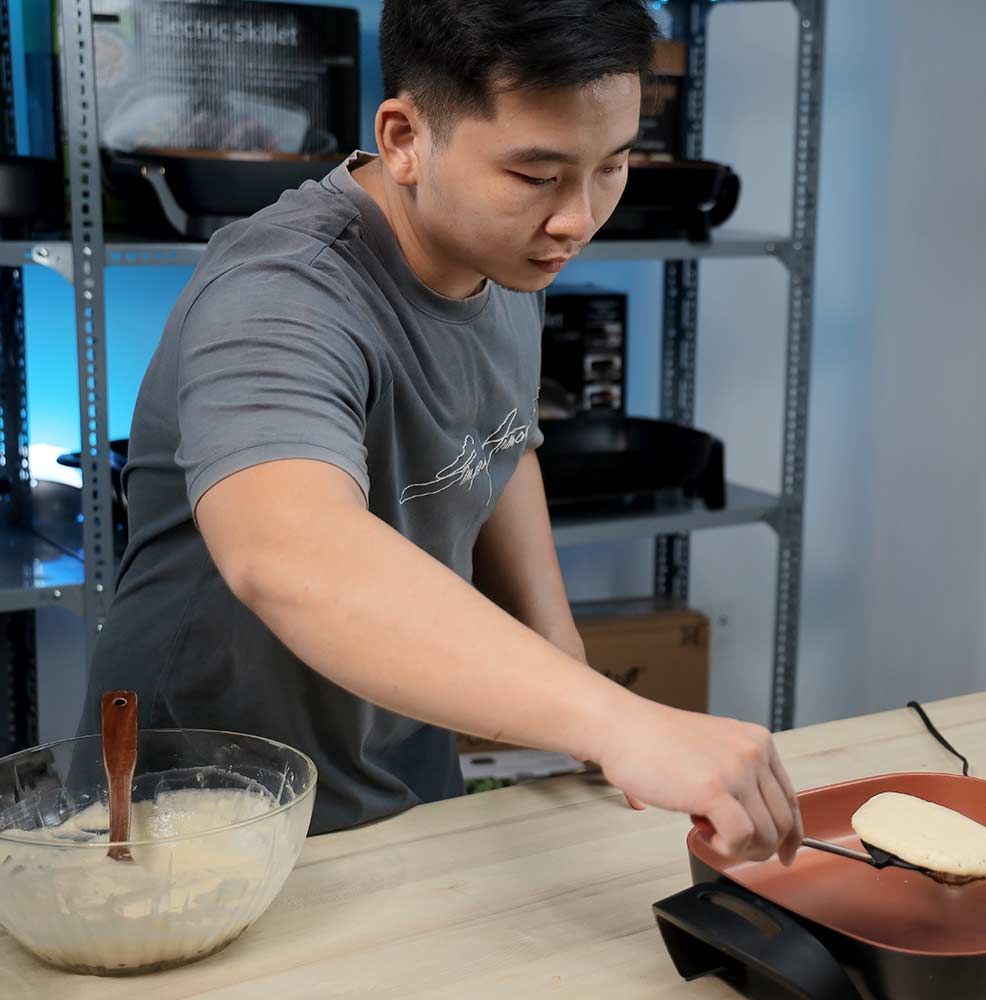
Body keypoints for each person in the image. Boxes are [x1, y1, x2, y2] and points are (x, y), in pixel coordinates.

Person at [81, 0, 802, 864]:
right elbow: (288, 551)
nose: (578, 218)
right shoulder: (280, 291)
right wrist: (620, 721)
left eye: (611, 168)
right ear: (403, 139)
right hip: (208, 801)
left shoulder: (505, 253)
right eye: (537, 175)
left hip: (402, 766)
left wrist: (565, 668)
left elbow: (499, 437)